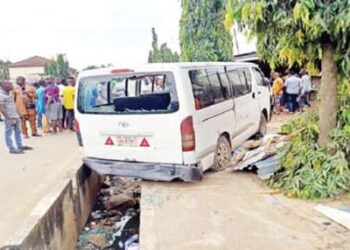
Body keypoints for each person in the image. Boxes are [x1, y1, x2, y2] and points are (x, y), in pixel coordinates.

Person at [0, 80, 32, 154]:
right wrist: (8, 117)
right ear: (4, 86)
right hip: (9, 117)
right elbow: (1, 108)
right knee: (8, 133)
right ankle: (11, 148)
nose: (12, 85)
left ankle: (19, 146)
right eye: (9, 84)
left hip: (15, 115)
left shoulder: (10, 93)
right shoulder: (1, 95)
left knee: (18, 132)